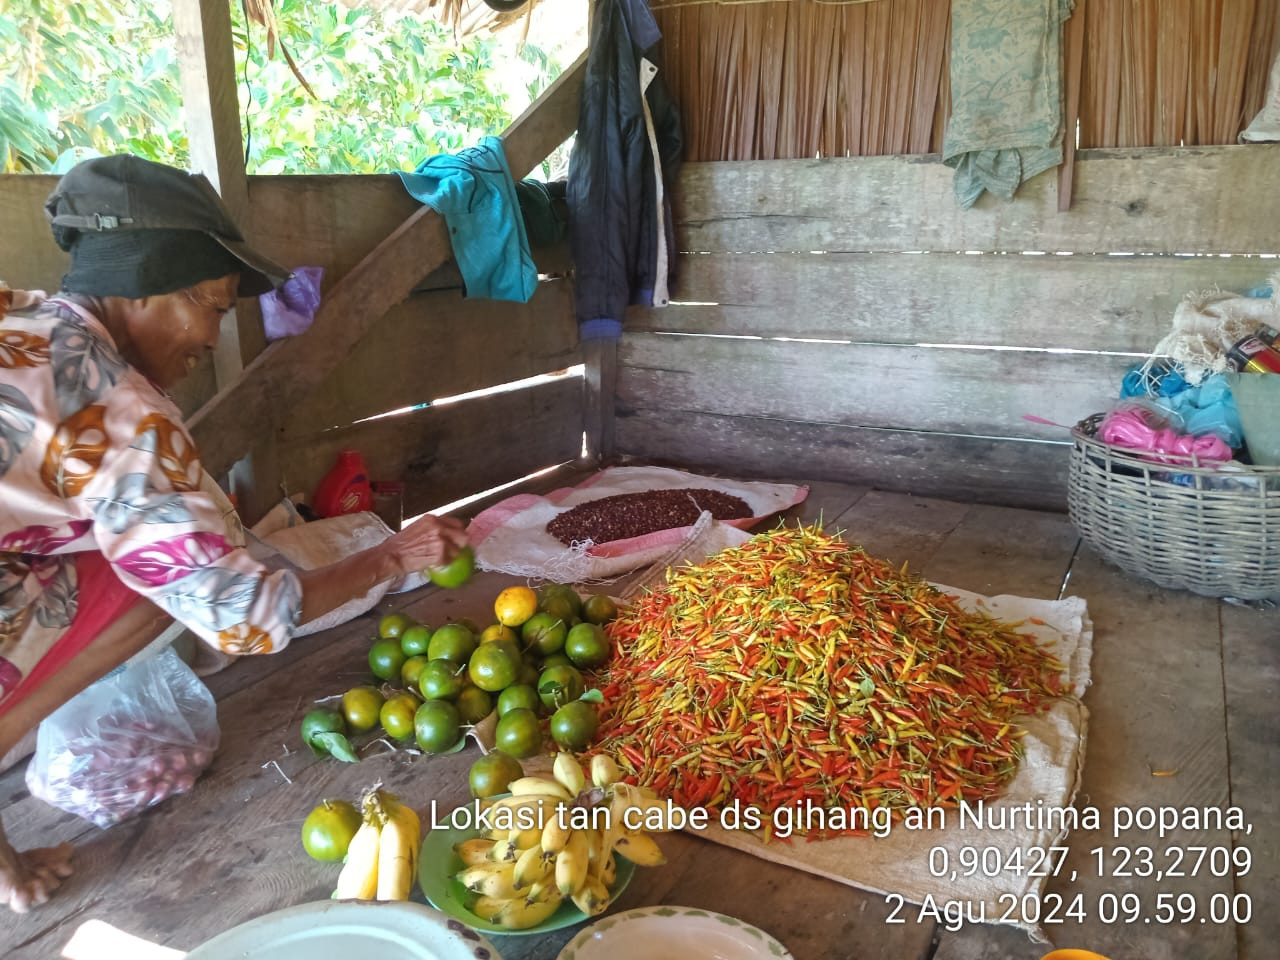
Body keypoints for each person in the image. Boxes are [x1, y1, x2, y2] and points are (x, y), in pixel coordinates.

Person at [0, 155, 470, 912]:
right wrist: (393, 555)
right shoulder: (125, 416)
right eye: (212, 307)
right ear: (144, 285)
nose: (213, 338)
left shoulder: (24, 317)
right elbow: (246, 620)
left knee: (150, 554)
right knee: (155, 583)